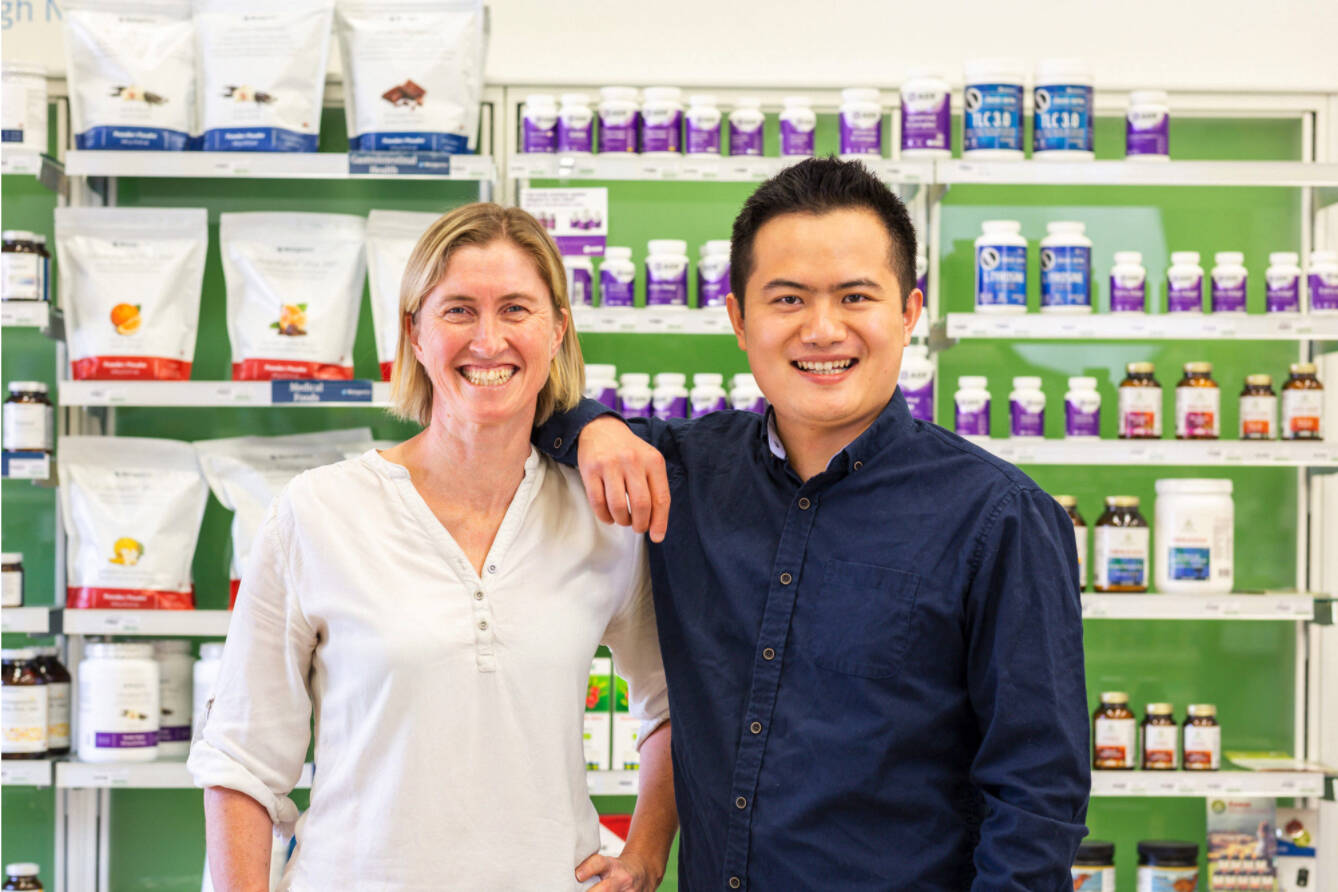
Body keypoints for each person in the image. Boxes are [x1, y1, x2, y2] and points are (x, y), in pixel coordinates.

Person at [535, 158, 1090, 890]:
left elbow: (1038, 793)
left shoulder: (1000, 518)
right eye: (788, 298)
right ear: (738, 319)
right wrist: (596, 428)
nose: (823, 330)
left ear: (909, 313)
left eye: (856, 296)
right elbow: (533, 410)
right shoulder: (684, 476)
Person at [189, 203, 677, 891]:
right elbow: (242, 759)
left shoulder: (600, 519)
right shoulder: (320, 511)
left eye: (516, 309)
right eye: (457, 311)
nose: (488, 339)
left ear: (558, 329)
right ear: (414, 333)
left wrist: (647, 853)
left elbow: (676, 705)